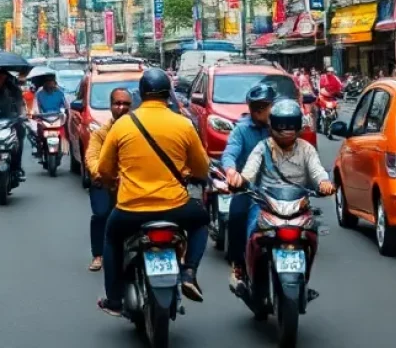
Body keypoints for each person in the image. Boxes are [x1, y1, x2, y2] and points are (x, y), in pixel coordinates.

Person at [96, 68, 210, 315]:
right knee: (201, 222)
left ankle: (114, 300)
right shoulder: (184, 124)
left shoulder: (123, 125)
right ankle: (189, 271)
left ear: (141, 94)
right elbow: (202, 167)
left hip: (131, 209)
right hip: (175, 207)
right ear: (168, 94)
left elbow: (104, 169)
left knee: (111, 238)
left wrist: (110, 182)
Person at [239, 98, 334, 272]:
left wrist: (324, 182)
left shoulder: (306, 149)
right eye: (282, 126)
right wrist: (241, 181)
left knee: (312, 233)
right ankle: (245, 270)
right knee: (252, 229)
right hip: (266, 205)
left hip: (298, 205)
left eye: (291, 125)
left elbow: (317, 170)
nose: (286, 131)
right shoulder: (263, 148)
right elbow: (249, 172)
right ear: (272, 126)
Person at [222, 81, 277, 288]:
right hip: (251, 189)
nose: (261, 111)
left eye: (265, 105)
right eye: (256, 107)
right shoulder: (241, 129)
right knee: (236, 216)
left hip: (282, 189)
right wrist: (231, 171)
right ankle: (238, 266)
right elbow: (230, 153)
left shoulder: (282, 126)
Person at [85, 86, 132, 272]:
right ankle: (98, 254)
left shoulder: (137, 131)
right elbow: (92, 157)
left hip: (132, 183)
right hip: (106, 181)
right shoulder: (101, 133)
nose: (121, 108)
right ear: (110, 106)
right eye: (117, 103)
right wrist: (102, 175)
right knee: (101, 214)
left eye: (126, 104)